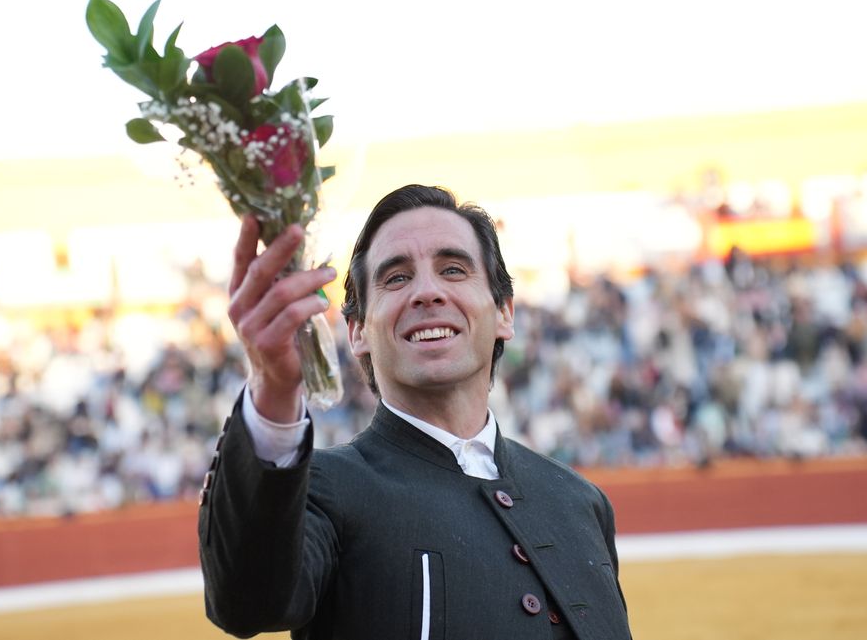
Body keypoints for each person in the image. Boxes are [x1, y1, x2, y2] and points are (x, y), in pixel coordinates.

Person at [199, 184, 632, 640]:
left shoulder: (579, 502)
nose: (427, 292)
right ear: (358, 332)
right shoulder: (322, 489)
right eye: (397, 278)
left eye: (453, 269)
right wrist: (273, 384)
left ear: (504, 313)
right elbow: (247, 603)